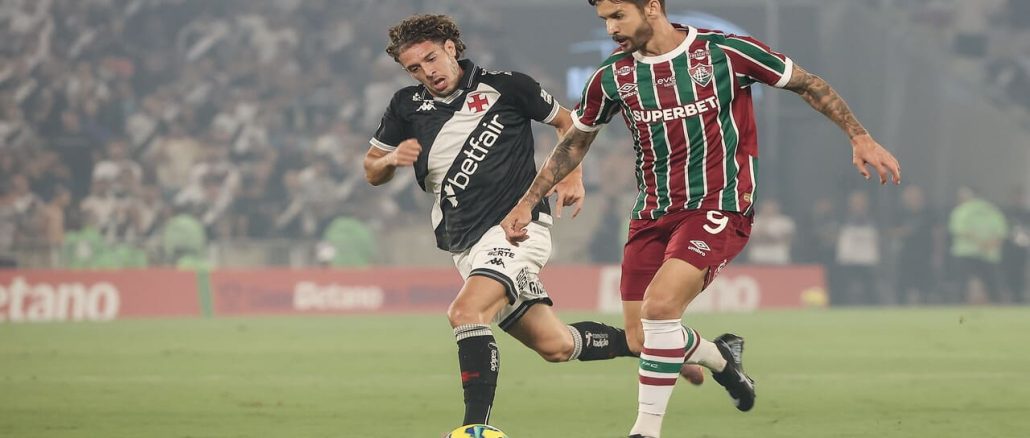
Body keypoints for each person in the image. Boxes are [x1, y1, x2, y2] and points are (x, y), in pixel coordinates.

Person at [499, 1, 902, 437]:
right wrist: (527, 202)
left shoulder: (724, 53)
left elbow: (807, 84)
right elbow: (576, 141)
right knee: (640, 339)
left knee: (660, 308)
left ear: (652, 8)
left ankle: (644, 431)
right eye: (605, 20)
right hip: (653, 212)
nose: (611, 28)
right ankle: (722, 359)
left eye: (618, 16)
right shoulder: (612, 76)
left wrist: (860, 137)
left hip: (719, 203)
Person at [361, 14, 703, 430]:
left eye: (431, 59)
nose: (427, 72)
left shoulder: (508, 86)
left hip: (516, 228)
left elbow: (568, 123)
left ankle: (475, 429)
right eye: (414, 68)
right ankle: (673, 349)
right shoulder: (405, 105)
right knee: (554, 345)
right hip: (465, 241)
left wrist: (572, 174)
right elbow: (371, 169)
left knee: (466, 312)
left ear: (450, 47)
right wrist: (390, 161)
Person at [949, 186, 1008, 304]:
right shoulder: (993, 210)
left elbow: (960, 230)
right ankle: (999, 304)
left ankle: (959, 304)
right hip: (989, 253)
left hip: (965, 252)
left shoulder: (962, 210)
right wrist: (988, 244)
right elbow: (1001, 232)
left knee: (962, 283)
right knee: (993, 283)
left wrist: (979, 242)